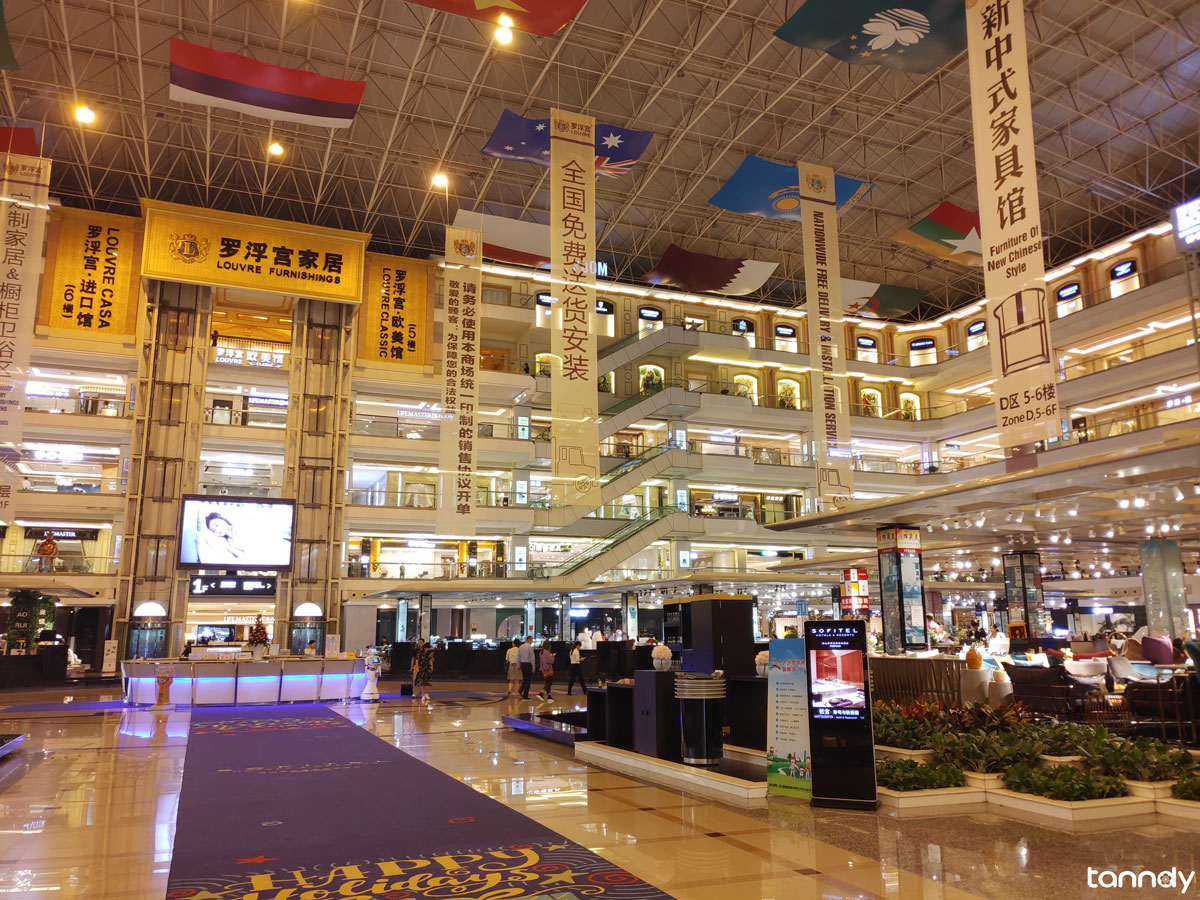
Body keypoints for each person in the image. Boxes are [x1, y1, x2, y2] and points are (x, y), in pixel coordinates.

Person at [411, 638, 434, 703]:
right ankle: (416, 693)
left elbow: (431, 660)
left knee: (426, 681)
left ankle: (425, 694)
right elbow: (415, 659)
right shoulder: (417, 651)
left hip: (427, 668)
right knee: (418, 680)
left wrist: (432, 666)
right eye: (418, 642)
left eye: (421, 642)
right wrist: (414, 667)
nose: (419, 644)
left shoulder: (429, 653)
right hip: (419, 667)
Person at [517, 635, 535, 700]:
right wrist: (533, 667)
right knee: (528, 680)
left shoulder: (521, 647)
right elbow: (532, 658)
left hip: (522, 664)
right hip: (528, 664)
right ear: (529, 640)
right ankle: (525, 695)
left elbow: (518, 656)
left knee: (525, 679)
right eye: (532, 640)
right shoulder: (530, 647)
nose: (532, 641)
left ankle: (520, 690)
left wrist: (518, 665)